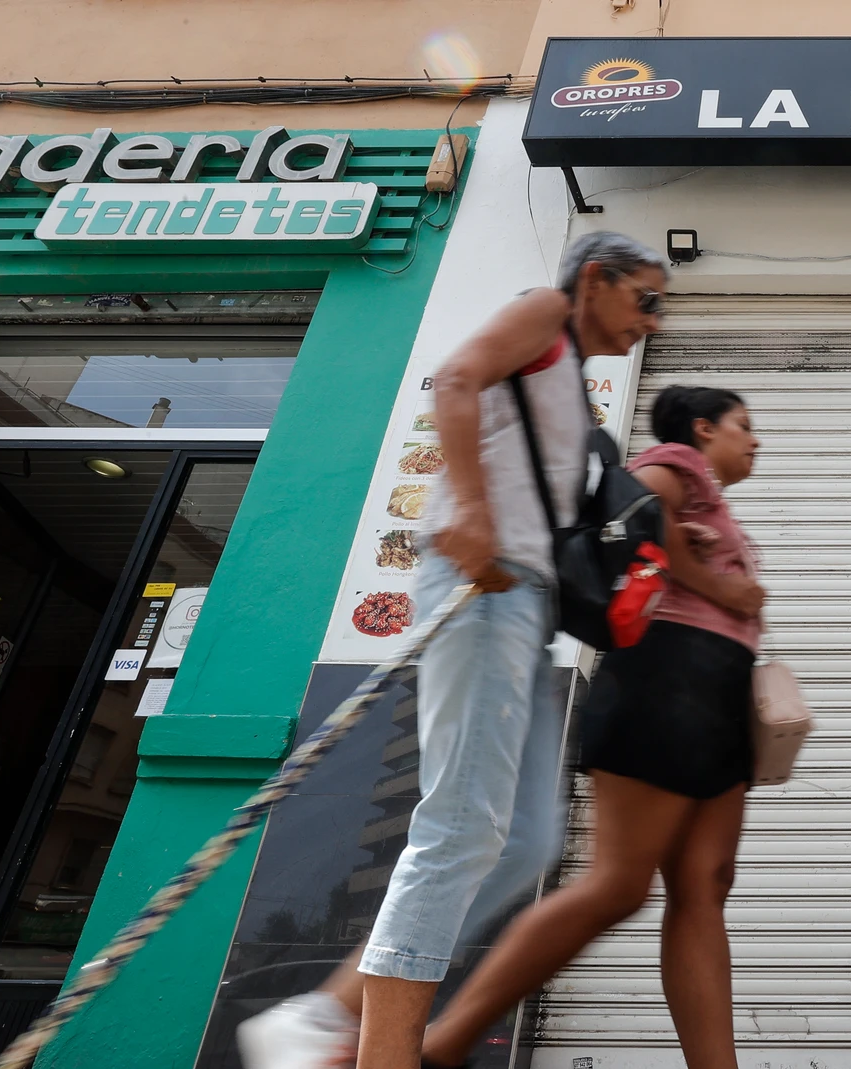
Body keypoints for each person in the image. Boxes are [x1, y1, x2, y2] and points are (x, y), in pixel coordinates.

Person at [237, 230, 669, 1069]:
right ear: (595, 281)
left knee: (525, 841)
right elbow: (459, 378)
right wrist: (468, 508)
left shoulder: (570, 379)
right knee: (464, 826)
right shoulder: (544, 312)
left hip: (522, 599)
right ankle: (380, 1054)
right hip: (481, 583)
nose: (650, 320)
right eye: (644, 297)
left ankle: (322, 1015)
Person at [406, 383, 765, 1069]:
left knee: (706, 881)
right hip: (669, 680)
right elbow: (642, 502)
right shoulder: (678, 463)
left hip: (714, 692)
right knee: (619, 884)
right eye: (743, 426)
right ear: (701, 428)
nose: (755, 440)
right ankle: (444, 1044)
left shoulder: (710, 500)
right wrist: (718, 585)